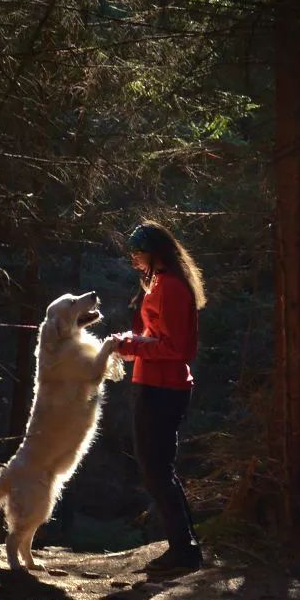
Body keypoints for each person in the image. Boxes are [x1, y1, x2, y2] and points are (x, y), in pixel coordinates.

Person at [112, 221, 207, 573]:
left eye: (138, 253)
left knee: (156, 470)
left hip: (163, 388)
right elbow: (156, 336)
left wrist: (131, 346)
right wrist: (129, 342)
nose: (134, 260)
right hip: (156, 384)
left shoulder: (169, 287)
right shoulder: (162, 284)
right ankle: (185, 546)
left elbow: (177, 348)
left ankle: (183, 549)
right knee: (157, 468)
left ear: (154, 253)